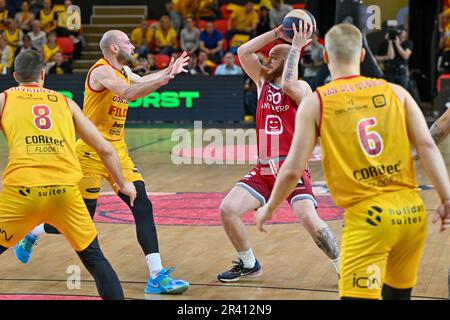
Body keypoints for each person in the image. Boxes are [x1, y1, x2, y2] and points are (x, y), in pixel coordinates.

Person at [255, 23, 450, 300]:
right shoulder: (396, 92)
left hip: (368, 218)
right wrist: (446, 198)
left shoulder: (317, 102)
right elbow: (428, 145)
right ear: (361, 55)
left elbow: (292, 169)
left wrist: (270, 208)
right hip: (412, 214)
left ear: (326, 58)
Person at [14, 30, 192, 294]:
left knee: (141, 203)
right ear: (113, 48)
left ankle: (157, 276)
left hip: (117, 148)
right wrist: (164, 77)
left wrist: (169, 72)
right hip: (89, 150)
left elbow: (142, 81)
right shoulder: (101, 72)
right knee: (84, 216)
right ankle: (33, 233)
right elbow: (130, 93)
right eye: (127, 42)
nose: (133, 45)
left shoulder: (123, 71)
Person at [0, 49, 138, 300]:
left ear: (15, 75)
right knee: (95, 259)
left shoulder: (5, 99)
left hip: (22, 192)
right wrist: (123, 183)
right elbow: (105, 149)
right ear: (43, 74)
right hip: (65, 192)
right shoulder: (65, 103)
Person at [217, 24, 340, 282]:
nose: (266, 59)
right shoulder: (262, 80)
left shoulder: (303, 89)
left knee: (308, 217)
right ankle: (249, 263)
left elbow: (288, 84)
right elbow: (243, 51)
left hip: (291, 168)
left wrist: (295, 45)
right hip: (264, 170)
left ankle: (341, 264)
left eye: (274, 56)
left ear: (288, 60)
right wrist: (277, 33)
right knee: (228, 209)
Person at [376, 25, 413, 90]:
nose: (399, 33)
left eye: (402, 31)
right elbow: (391, 56)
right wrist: (390, 42)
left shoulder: (408, 43)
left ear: (406, 33)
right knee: (389, 92)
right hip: (389, 72)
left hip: (401, 73)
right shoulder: (384, 44)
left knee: (402, 93)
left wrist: (397, 44)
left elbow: (405, 56)